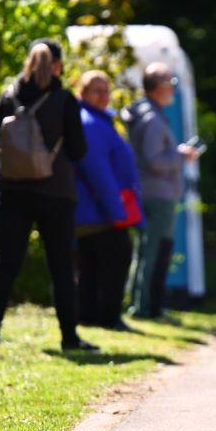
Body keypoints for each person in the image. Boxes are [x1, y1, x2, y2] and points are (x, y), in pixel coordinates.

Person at [0, 39, 97, 351]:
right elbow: (78, 150)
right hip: (55, 192)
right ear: (57, 65)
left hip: (11, 191)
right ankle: (69, 337)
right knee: (61, 266)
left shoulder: (8, 96)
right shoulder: (64, 100)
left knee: (6, 262)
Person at [121, 63, 200, 319]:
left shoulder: (145, 112)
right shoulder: (153, 119)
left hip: (150, 192)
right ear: (157, 87)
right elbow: (154, 160)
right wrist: (181, 155)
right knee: (155, 251)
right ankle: (146, 308)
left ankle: (144, 305)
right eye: (170, 83)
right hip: (158, 194)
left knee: (147, 251)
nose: (173, 89)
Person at [73, 70, 144, 331]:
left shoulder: (98, 120)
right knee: (116, 258)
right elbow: (97, 172)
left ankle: (89, 316)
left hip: (96, 210)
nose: (104, 96)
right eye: (96, 91)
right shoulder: (90, 124)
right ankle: (109, 317)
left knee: (91, 265)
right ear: (82, 93)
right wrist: (116, 211)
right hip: (99, 211)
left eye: (106, 90)